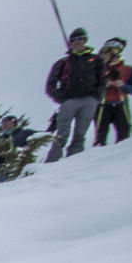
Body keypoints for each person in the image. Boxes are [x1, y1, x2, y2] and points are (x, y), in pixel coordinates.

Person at [43, 28, 105, 162]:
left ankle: (73, 163)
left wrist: (97, 97)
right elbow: (51, 84)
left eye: (80, 39)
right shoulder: (63, 62)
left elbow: (102, 81)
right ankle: (51, 162)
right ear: (70, 43)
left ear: (85, 41)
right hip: (69, 101)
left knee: (80, 134)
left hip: (89, 100)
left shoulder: (96, 60)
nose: (77, 42)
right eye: (74, 40)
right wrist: (61, 98)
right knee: (62, 134)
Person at [93, 38, 132, 146]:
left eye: (105, 53)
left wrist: (123, 86)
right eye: (102, 53)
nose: (102, 56)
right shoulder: (98, 70)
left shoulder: (129, 69)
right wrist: (104, 85)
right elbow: (91, 86)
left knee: (124, 136)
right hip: (102, 105)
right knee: (100, 136)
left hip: (121, 104)